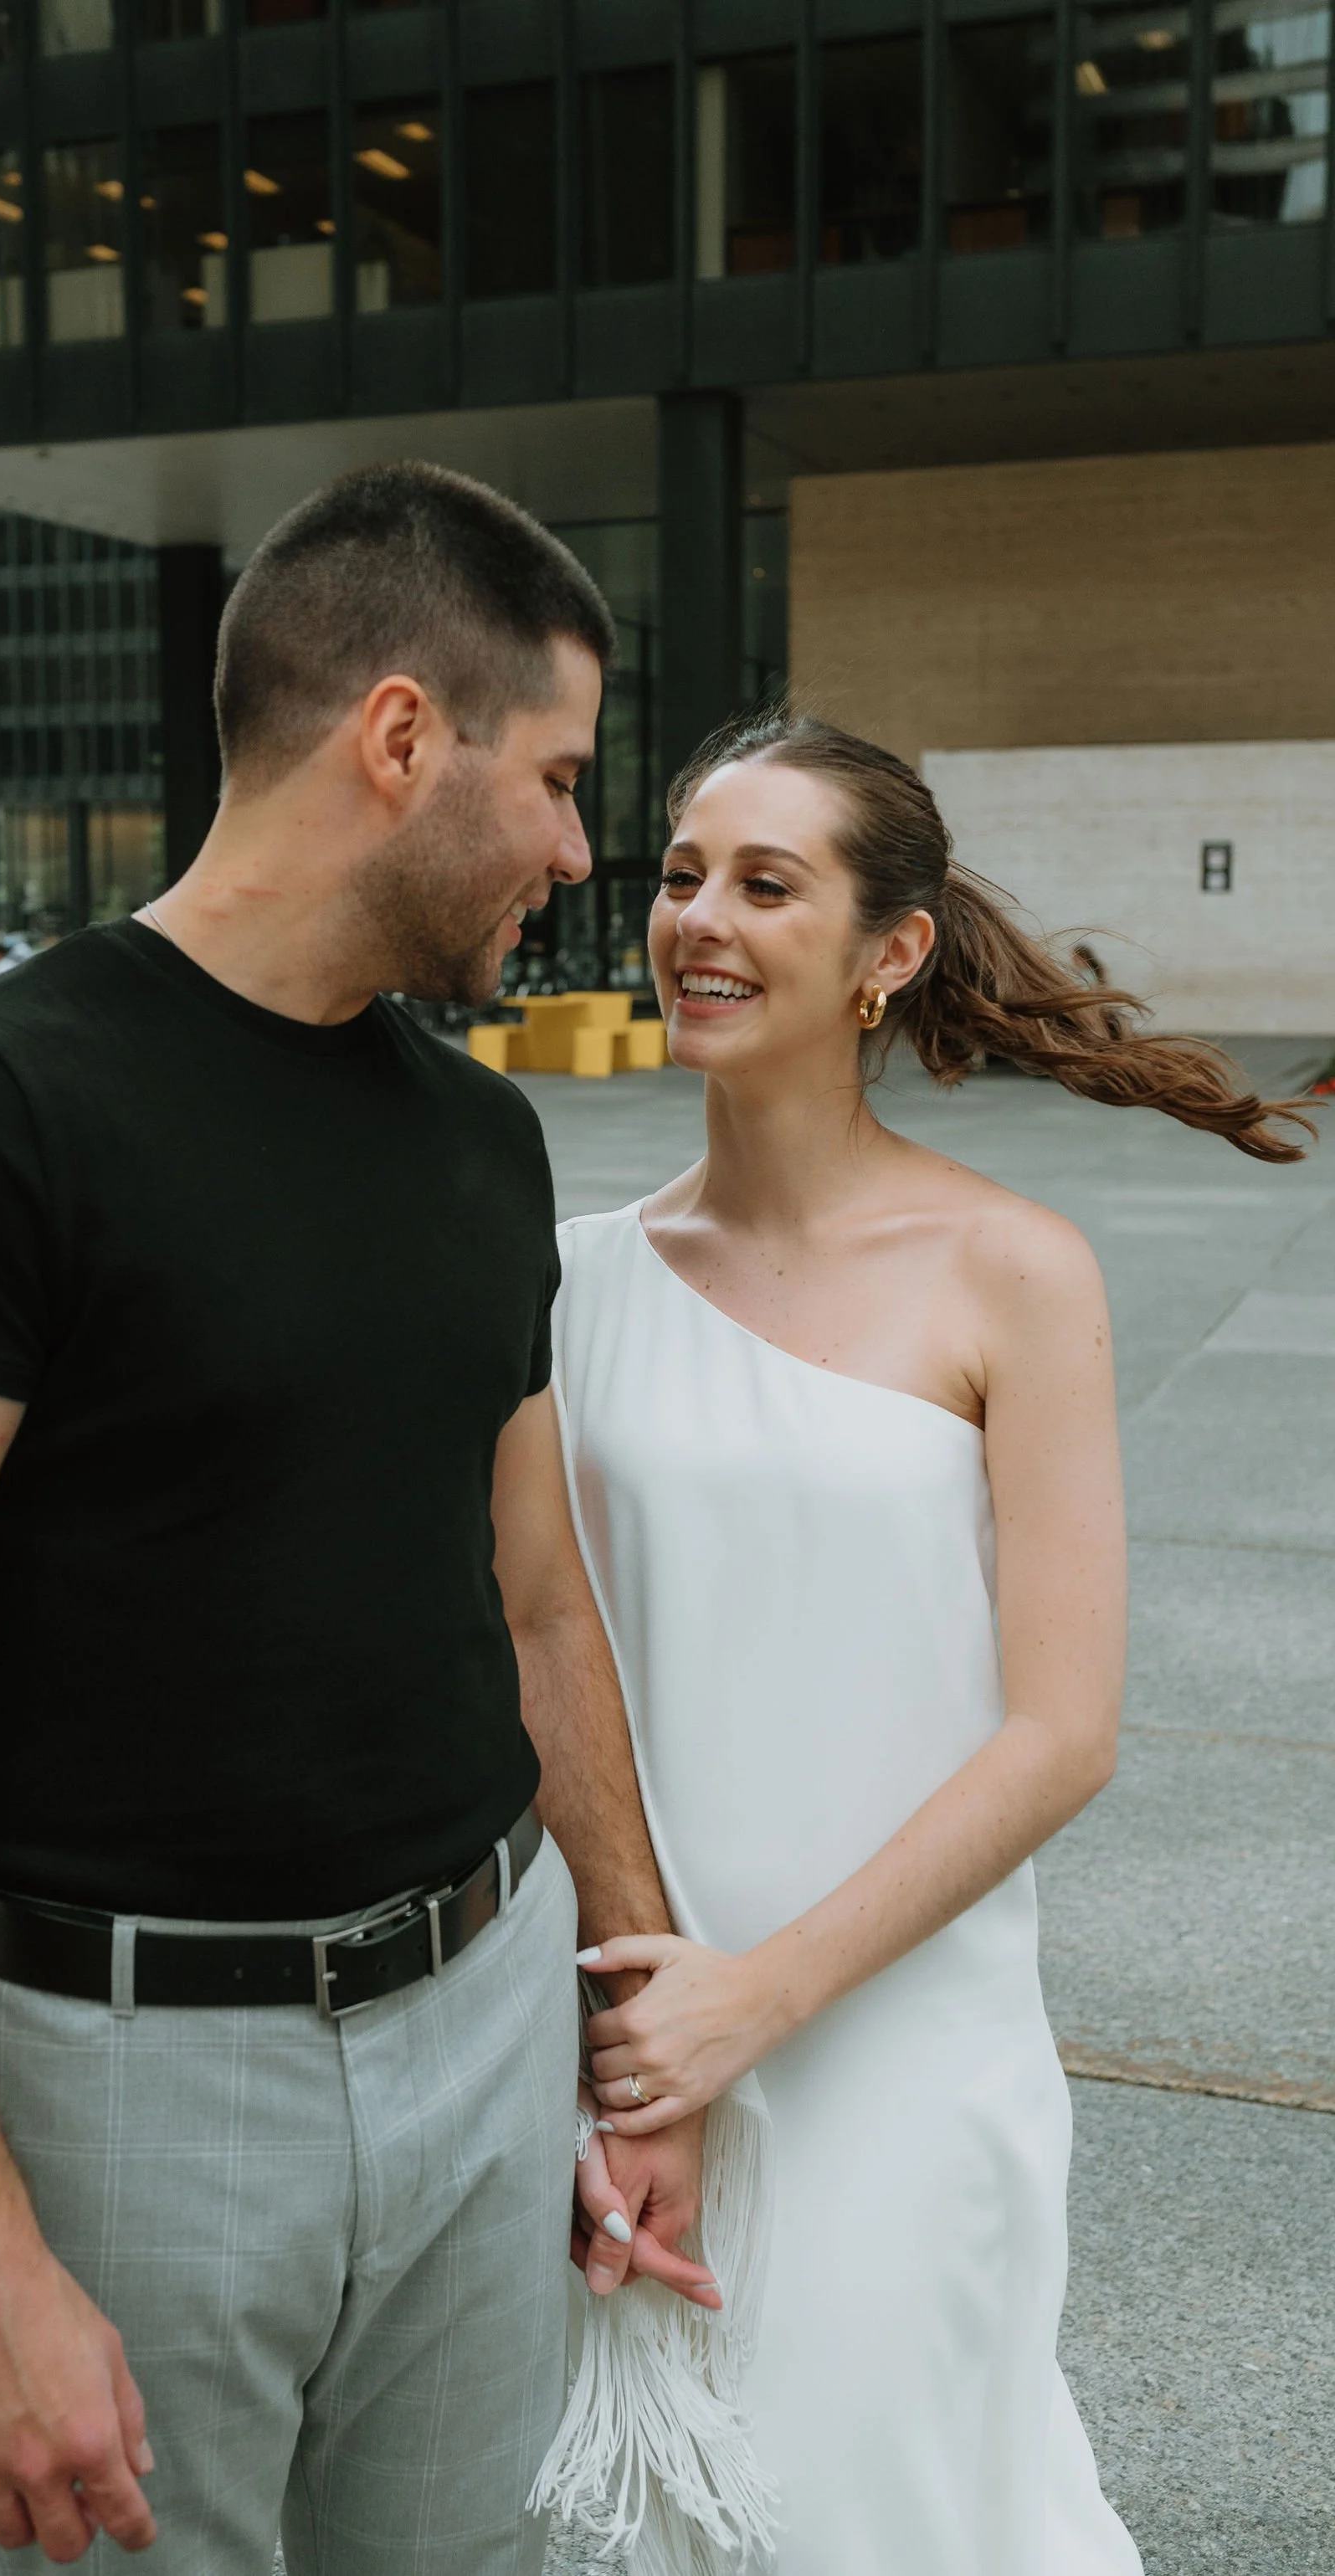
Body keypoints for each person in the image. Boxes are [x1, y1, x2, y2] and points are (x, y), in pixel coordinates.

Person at [0, 463, 714, 2576]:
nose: (575, 846)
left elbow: (538, 1609)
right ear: (395, 738)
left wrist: (631, 2043)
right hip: (129, 2086)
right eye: (552, 780)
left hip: (481, 2018)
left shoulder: (476, 1139)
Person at [555, 714, 1311, 2573]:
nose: (696, 920)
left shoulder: (1013, 1272)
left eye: (764, 881)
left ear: (889, 951)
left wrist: (769, 1997)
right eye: (676, 874)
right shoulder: (570, 1276)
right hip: (633, 2050)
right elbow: (538, 1665)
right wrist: (640, 2035)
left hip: (896, 2041)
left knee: (903, 2511)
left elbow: (1062, 1733)